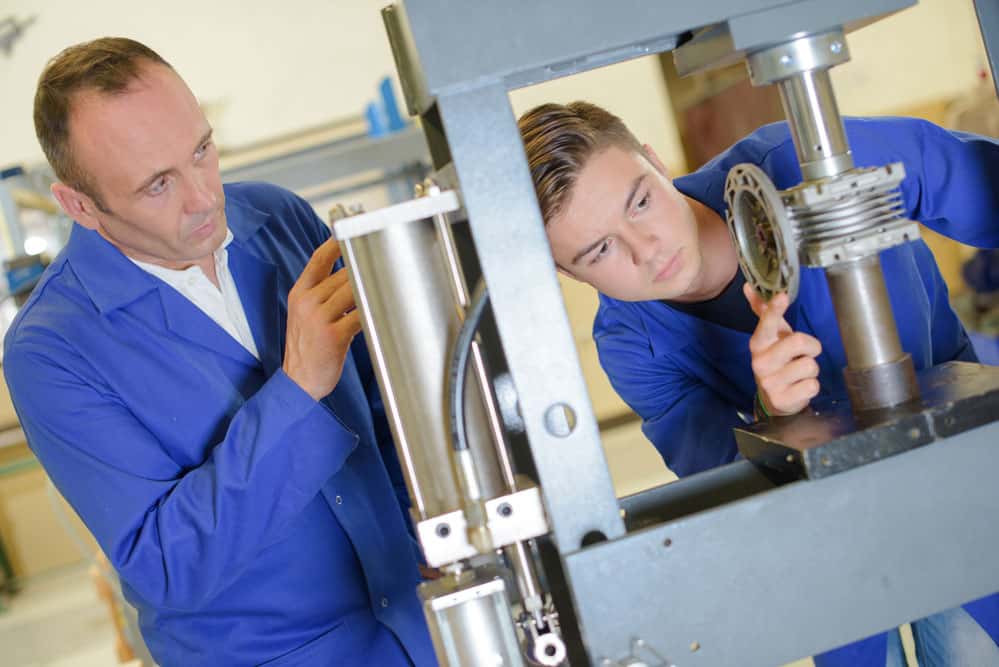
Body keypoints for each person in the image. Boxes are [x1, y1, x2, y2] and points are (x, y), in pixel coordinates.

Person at [518, 101, 999, 666]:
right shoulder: (631, 344)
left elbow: (971, 180)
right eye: (600, 250)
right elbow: (719, 487)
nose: (646, 250)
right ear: (569, 274)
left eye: (641, 202)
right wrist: (773, 418)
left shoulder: (810, 164)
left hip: (960, 476)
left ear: (653, 159)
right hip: (828, 552)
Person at [4, 38, 436, 667]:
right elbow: (165, 565)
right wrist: (297, 389)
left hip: (422, 616)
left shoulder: (279, 219)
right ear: (79, 205)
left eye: (202, 151)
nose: (205, 197)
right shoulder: (52, 351)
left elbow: (383, 404)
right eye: (158, 185)